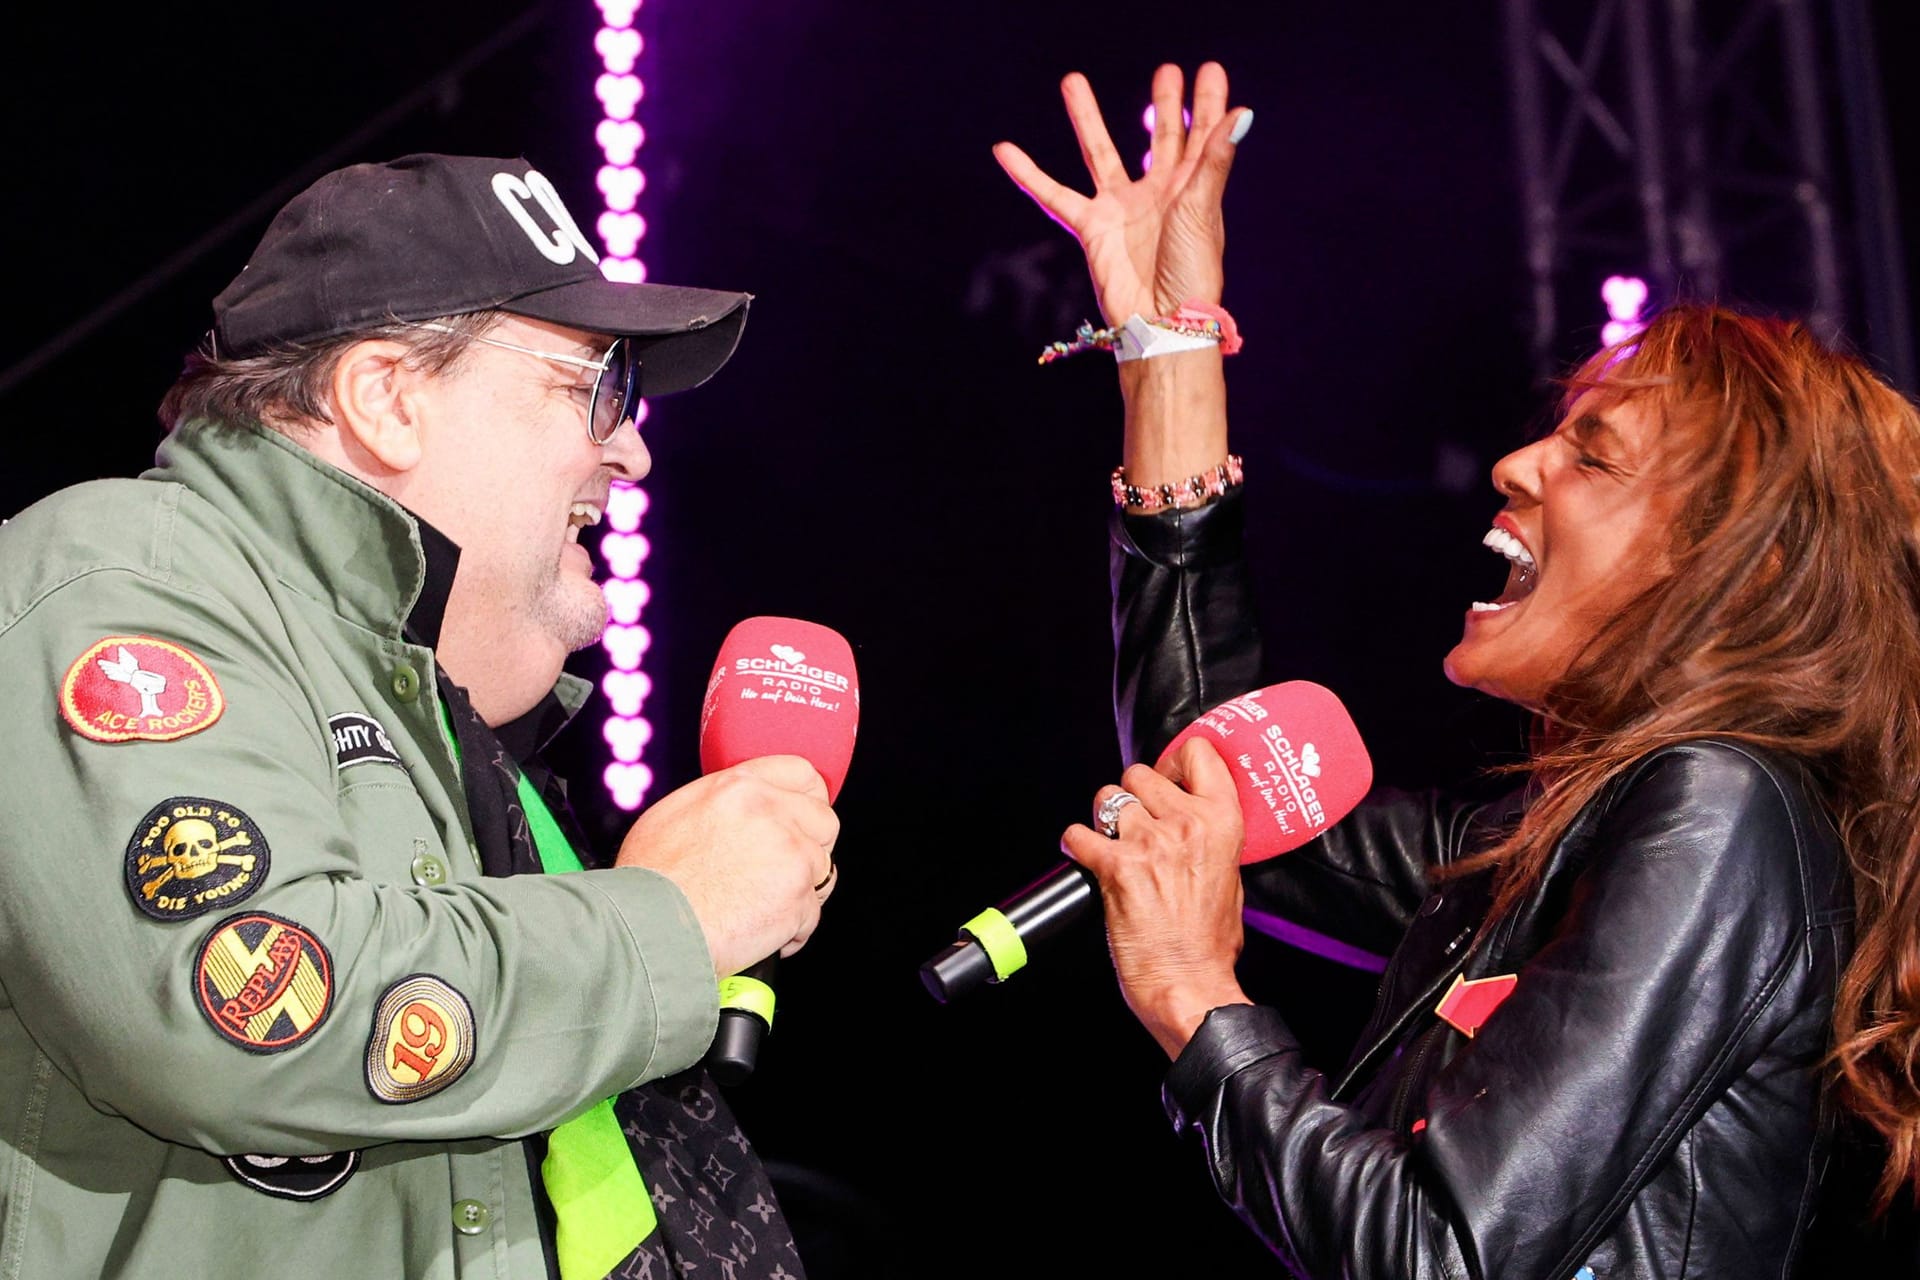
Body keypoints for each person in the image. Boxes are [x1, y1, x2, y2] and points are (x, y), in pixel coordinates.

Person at [999, 62, 1920, 1274]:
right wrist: (1169, 350)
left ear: (1724, 568)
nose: (1517, 463)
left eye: (1591, 457)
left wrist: (1195, 998)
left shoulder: (1720, 804)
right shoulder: (1552, 835)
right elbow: (1211, 784)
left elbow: (1441, 1254)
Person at [0, 153, 838, 1279]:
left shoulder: (439, 719)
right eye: (597, 384)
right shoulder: (121, 578)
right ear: (389, 397)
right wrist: (667, 920)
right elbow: (254, 993)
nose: (632, 447)